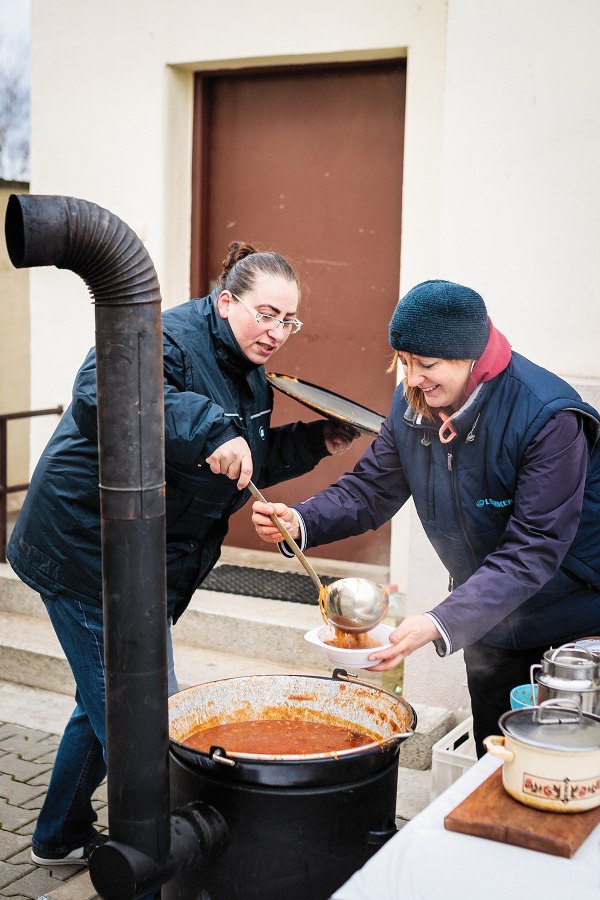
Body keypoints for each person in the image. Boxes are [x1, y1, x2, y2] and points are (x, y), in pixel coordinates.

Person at [7, 241, 358, 868]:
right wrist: (210, 428)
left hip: (148, 562)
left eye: (289, 320)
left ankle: (59, 834)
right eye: (266, 314)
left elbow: (237, 462)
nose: (277, 332)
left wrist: (313, 441)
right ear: (225, 301)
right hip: (85, 549)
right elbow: (99, 394)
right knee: (144, 713)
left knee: (104, 701)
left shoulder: (249, 368)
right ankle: (166, 859)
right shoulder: (162, 336)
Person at [252, 279, 600, 758]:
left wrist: (438, 621)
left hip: (573, 625)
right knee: (495, 759)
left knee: (568, 768)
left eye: (427, 364)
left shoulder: (548, 417)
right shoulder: (414, 405)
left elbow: (533, 549)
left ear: (469, 355)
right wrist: (300, 521)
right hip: (490, 623)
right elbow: (370, 490)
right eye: (404, 361)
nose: (413, 378)